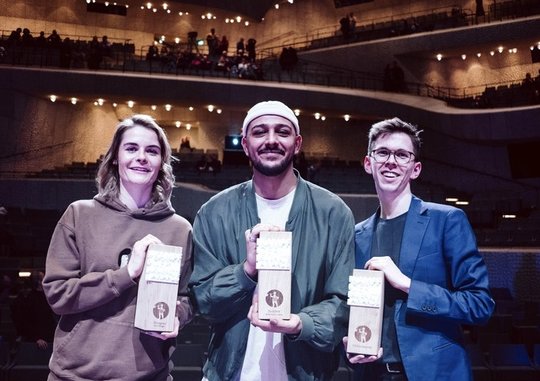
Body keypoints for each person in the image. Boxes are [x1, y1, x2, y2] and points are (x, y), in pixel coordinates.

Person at [189, 100, 355, 380]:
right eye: (260, 132)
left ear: (297, 142)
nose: (271, 140)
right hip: (228, 373)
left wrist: (301, 323)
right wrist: (245, 272)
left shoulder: (333, 213)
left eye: (282, 132)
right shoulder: (214, 212)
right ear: (245, 144)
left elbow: (344, 302)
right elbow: (203, 301)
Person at [43, 114, 193, 380]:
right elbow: (57, 294)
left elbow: (187, 297)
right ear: (115, 157)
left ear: (162, 163)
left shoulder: (180, 229)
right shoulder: (79, 214)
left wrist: (178, 315)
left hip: (148, 375)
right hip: (75, 375)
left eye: (152, 151)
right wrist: (125, 275)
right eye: (131, 148)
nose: (142, 157)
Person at [345, 118, 495, 380]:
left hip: (434, 373)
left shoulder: (447, 220)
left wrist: (407, 285)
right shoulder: (357, 235)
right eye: (382, 152)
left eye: (402, 155)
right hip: (372, 374)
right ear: (368, 163)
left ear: (415, 169)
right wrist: (348, 343)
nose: (391, 161)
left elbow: (479, 304)